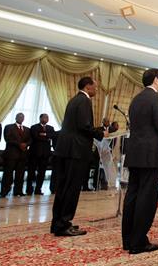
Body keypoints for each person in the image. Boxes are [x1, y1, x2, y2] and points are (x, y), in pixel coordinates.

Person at [122, 68, 158, 254]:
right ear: (155, 80)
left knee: (132, 195)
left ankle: (128, 239)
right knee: (146, 198)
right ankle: (138, 242)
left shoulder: (136, 99)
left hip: (134, 153)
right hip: (149, 155)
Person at [51, 77, 103, 237]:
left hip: (65, 150)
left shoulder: (74, 100)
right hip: (76, 151)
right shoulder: (84, 101)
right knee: (71, 189)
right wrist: (100, 133)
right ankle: (64, 224)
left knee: (63, 188)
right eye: (95, 87)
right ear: (87, 87)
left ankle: (57, 222)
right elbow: (84, 126)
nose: (96, 90)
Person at [1, 113, 32, 197]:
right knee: (8, 174)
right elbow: (8, 138)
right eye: (19, 117)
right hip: (11, 154)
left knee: (20, 174)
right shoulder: (8, 127)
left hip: (22, 155)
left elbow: (30, 140)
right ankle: (4, 191)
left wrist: (26, 144)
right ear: (16, 117)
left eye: (22, 117)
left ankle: (18, 191)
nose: (21, 118)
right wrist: (19, 144)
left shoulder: (27, 129)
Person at [26, 114, 55, 195]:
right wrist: (46, 136)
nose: (46, 119)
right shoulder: (34, 127)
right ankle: (29, 189)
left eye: (47, 117)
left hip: (45, 154)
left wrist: (43, 134)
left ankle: (38, 189)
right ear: (40, 118)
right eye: (44, 117)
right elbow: (36, 137)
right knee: (31, 173)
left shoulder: (51, 128)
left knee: (42, 173)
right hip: (34, 153)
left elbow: (52, 136)